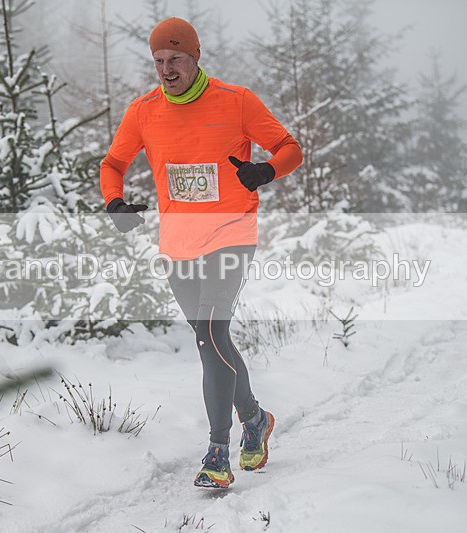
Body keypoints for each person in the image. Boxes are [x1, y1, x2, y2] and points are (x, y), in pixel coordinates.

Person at [100, 17, 302, 489]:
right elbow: (113, 163)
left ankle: (218, 450)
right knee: (211, 342)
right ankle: (256, 419)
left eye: (176, 59)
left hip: (231, 236)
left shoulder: (236, 102)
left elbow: (289, 148)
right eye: (159, 62)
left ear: (195, 57)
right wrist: (114, 201)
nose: (167, 70)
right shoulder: (144, 111)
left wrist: (265, 172)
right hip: (177, 244)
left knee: (212, 335)